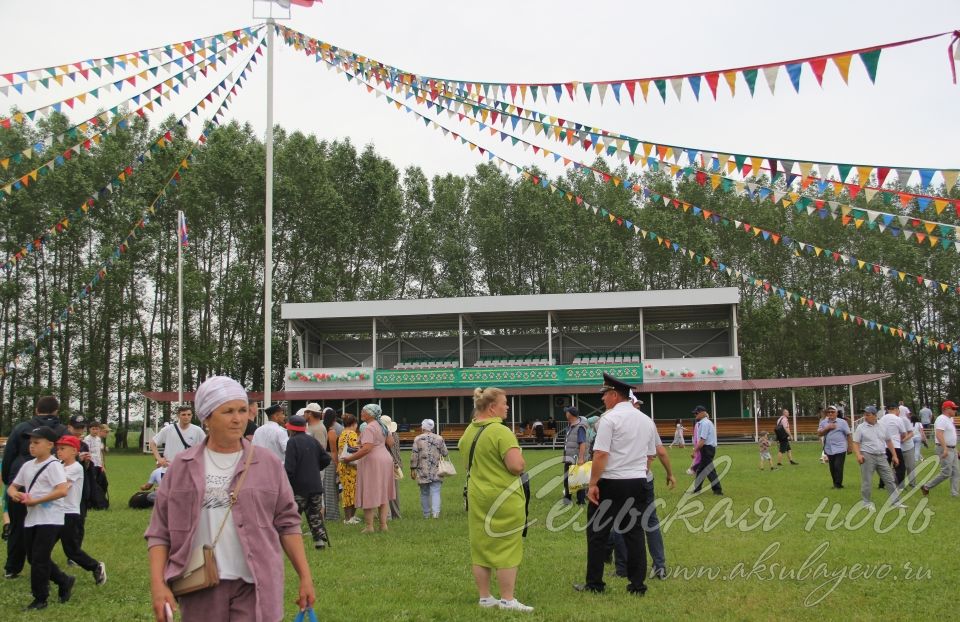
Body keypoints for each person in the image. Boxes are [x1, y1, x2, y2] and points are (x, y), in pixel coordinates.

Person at [145, 376, 315, 622]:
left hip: (256, 585)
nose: (238, 419)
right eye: (228, 411)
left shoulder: (268, 464)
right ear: (206, 417)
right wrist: (158, 586)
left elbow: (288, 523)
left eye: (243, 410)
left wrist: (305, 577)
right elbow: (159, 532)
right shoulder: (182, 466)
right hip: (198, 584)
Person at [575, 374, 657, 596]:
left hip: (610, 482)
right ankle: (637, 585)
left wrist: (592, 483)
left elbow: (601, 454)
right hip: (637, 480)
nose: (603, 399)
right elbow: (651, 456)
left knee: (598, 533)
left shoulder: (608, 419)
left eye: (605, 395)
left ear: (614, 395)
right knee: (634, 533)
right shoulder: (646, 420)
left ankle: (594, 583)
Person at [459, 387, 531, 611]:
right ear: (492, 407)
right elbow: (516, 465)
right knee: (507, 546)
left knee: (480, 547)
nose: (507, 406)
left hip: (477, 496)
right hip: (503, 498)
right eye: (504, 402)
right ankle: (508, 599)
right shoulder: (500, 431)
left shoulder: (469, 431)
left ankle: (485, 597)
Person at [8, 426, 73, 610]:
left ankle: (40, 599)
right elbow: (12, 486)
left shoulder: (54, 466)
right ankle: (64, 580)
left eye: (37, 442)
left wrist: (37, 500)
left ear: (50, 445)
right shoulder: (27, 466)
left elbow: (61, 490)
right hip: (32, 518)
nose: (32, 446)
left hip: (50, 518)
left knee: (39, 558)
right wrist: (15, 494)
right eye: (31, 443)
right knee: (33, 558)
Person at [2, 395, 66, 580]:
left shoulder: (22, 428)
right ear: (56, 411)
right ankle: (43, 560)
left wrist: (9, 481)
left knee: (17, 525)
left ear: (36, 410)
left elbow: (8, 455)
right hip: (52, 484)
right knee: (45, 526)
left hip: (19, 481)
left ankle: (13, 567)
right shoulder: (62, 430)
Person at [54, 435, 106, 586]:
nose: (59, 451)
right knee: (41, 550)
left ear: (74, 451)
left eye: (63, 448)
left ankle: (96, 567)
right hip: (56, 513)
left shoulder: (76, 468)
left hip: (69, 514)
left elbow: (60, 486)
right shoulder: (59, 465)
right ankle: (46, 578)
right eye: (58, 449)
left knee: (71, 551)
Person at [339, 404, 395, 534]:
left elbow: (367, 448)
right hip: (385, 459)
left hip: (372, 461)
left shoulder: (369, 428)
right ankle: (383, 525)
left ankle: (369, 526)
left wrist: (349, 458)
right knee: (383, 493)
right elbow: (391, 443)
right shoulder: (382, 425)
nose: (361, 413)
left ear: (371, 414)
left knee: (369, 491)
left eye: (364, 411)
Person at [284, 414, 331, 550]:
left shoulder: (292, 442)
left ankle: (293, 544)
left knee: (293, 516)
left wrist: (286, 482)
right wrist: (316, 468)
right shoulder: (312, 440)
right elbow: (326, 459)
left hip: (298, 487)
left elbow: (289, 467)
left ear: (291, 429)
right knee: (315, 514)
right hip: (315, 485)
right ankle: (319, 542)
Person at [852, 406, 905, 510]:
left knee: (889, 479)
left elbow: (889, 441)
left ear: (875, 415)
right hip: (867, 455)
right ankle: (866, 503)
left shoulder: (883, 426)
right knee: (867, 480)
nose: (865, 417)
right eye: (865, 415)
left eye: (868, 415)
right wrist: (858, 455)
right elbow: (855, 442)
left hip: (881, 456)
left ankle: (896, 502)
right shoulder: (861, 427)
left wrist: (894, 455)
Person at [410, 419, 448, 519]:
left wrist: (413, 469)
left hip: (422, 470)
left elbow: (414, 455)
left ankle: (426, 514)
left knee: (424, 493)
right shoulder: (439, 438)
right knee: (436, 491)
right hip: (436, 469)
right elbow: (445, 453)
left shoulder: (417, 439)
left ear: (423, 427)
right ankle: (436, 514)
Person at [921, 400, 959, 497]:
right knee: (946, 472)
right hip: (944, 448)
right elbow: (939, 434)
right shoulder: (941, 419)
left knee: (956, 472)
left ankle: (954, 494)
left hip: (952, 448)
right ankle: (926, 486)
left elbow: (950, 435)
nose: (955, 410)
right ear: (946, 409)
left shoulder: (950, 419)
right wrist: (945, 448)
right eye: (953, 408)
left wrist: (956, 449)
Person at [817, 405, 852, 489]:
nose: (830, 413)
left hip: (840, 448)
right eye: (828, 412)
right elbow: (819, 434)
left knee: (838, 466)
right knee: (832, 467)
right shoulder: (823, 422)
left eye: (832, 412)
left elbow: (848, 435)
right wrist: (827, 427)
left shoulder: (842, 422)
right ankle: (835, 483)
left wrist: (850, 447)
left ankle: (838, 484)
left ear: (836, 413)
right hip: (829, 449)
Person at [692, 406, 723, 495]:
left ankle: (718, 490)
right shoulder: (704, 423)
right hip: (707, 449)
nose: (695, 415)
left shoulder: (705, 424)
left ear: (702, 413)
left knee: (709, 470)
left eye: (696, 413)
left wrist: (695, 450)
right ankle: (697, 489)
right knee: (701, 470)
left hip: (707, 448)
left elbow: (702, 440)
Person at [337, 414, 361, 525]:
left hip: (343, 466)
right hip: (351, 466)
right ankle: (349, 518)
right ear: (354, 424)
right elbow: (355, 450)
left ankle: (350, 517)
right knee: (351, 492)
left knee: (347, 491)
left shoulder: (342, 433)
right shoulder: (352, 434)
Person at [561, 406, 588, 506]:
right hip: (569, 458)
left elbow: (582, 443)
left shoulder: (580, 427)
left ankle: (581, 501)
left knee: (579, 480)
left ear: (570, 414)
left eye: (566, 412)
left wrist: (581, 458)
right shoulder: (570, 425)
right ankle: (567, 499)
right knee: (567, 479)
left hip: (576, 459)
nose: (565, 414)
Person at [879, 404, 911, 488]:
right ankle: (900, 484)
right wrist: (902, 438)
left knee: (885, 466)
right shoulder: (898, 419)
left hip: (884, 446)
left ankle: (882, 484)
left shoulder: (882, 419)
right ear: (896, 409)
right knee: (900, 466)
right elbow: (904, 433)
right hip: (895, 445)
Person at [320, 407, 342, 522]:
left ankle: (324, 511)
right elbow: (334, 450)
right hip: (330, 459)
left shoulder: (321, 428)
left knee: (324, 487)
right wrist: (337, 463)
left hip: (321, 458)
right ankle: (332, 514)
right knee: (331, 488)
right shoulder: (331, 431)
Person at [382, 415, 403, 520]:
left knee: (386, 491)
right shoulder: (396, 435)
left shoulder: (388, 436)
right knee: (394, 491)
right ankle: (396, 514)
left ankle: (388, 515)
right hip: (395, 464)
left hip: (388, 464)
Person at [897, 404, 917, 489]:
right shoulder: (894, 420)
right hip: (897, 447)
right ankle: (899, 484)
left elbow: (911, 433)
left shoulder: (905, 420)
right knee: (899, 467)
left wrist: (904, 440)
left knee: (910, 466)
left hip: (908, 447)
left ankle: (912, 483)